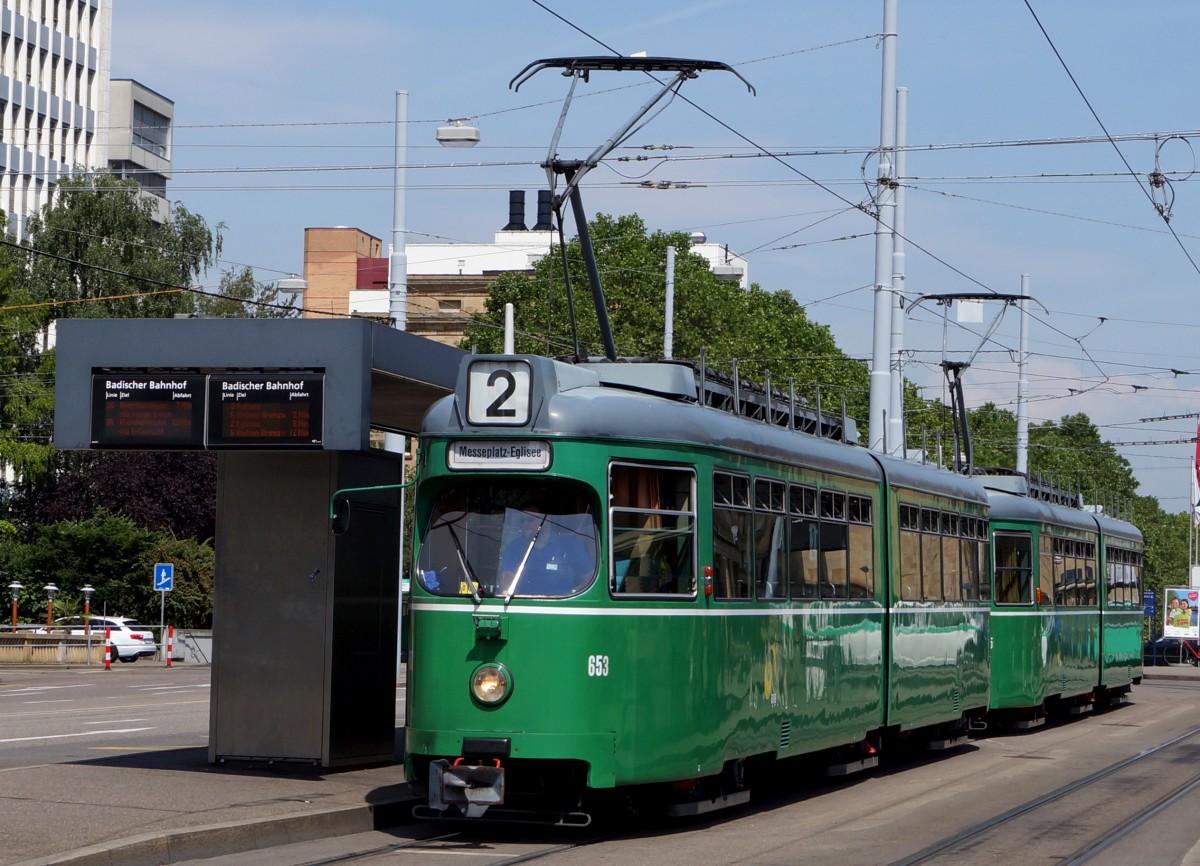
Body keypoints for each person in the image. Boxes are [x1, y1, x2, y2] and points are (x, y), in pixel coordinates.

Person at [501, 506, 595, 597]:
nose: (525, 524)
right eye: (522, 520)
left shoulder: (570, 545)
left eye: (530, 519)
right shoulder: (514, 547)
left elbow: (588, 577)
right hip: (525, 605)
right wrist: (506, 592)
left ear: (546, 520)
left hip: (562, 604)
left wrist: (577, 596)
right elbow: (507, 581)